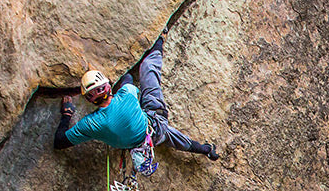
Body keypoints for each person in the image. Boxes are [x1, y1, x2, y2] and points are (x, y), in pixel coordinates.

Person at [54, 35, 219, 160]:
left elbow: (59, 142)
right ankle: (160, 39)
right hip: (154, 124)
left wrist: (67, 114)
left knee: (167, 136)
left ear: (88, 99)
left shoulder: (90, 124)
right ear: (109, 87)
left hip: (139, 144)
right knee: (148, 68)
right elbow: (128, 79)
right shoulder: (126, 95)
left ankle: (204, 149)